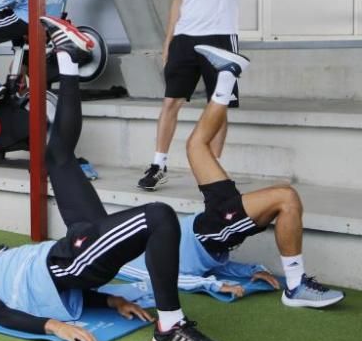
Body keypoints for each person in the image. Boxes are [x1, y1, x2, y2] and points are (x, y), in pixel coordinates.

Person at [0, 17, 227, 341]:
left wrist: (112, 301)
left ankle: (67, 57)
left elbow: (66, 290)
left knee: (59, 157)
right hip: (69, 261)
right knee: (159, 215)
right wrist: (53, 326)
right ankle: (170, 328)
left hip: (69, 251)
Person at [122, 46, 343, 308]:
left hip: (206, 221)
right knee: (286, 197)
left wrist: (250, 271)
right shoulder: (126, 263)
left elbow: (214, 265)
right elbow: (166, 277)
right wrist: (213, 285)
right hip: (210, 233)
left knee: (196, 145)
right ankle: (296, 287)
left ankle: (227, 75)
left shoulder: (130, 240)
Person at [138, 0, 249, 191]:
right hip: (185, 38)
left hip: (220, 36)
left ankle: (210, 171)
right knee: (170, 101)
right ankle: (158, 164)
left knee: (218, 104)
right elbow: (178, 2)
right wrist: (168, 42)